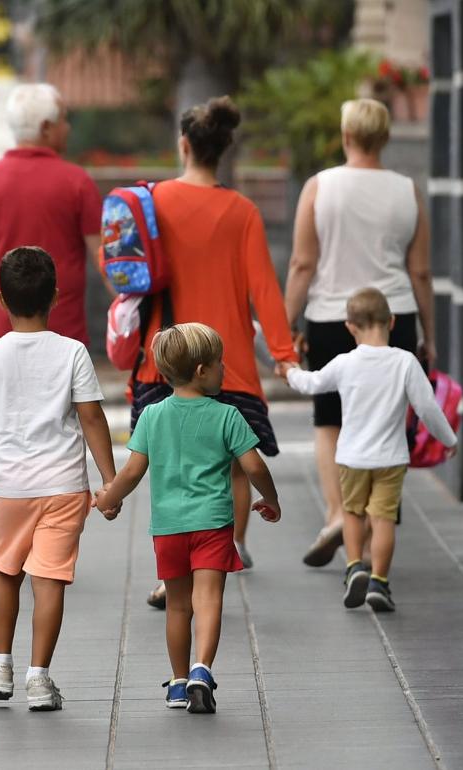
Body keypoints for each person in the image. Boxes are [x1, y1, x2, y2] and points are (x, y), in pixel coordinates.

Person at [132, 96, 297, 608]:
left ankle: (170, 574)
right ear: (223, 151)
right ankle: (230, 546)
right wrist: (284, 352)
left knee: (166, 462)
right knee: (232, 464)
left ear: (183, 144)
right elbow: (264, 288)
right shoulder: (242, 211)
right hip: (228, 361)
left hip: (165, 352)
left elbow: (123, 272)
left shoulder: (150, 202)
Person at [0, 246, 118, 712]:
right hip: (64, 487)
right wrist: (109, 481)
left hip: (8, 489)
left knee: (5, 573)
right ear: (56, 296)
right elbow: (91, 419)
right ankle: (39, 679)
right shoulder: (73, 353)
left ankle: (0, 668)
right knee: (49, 582)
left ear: (1, 299)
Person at [282, 98, 436, 569]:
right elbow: (421, 271)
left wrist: (286, 327)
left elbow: (302, 263)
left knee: (330, 423)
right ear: (385, 138)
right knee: (388, 423)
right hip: (394, 317)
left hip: (331, 317)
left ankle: (336, 514)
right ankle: (372, 534)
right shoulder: (407, 191)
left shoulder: (319, 187)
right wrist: (429, 332)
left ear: (346, 136)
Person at [98, 323, 282, 714]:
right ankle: (202, 669)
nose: (223, 370)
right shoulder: (227, 415)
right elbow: (254, 466)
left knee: (178, 607)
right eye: (219, 364)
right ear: (202, 371)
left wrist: (108, 501)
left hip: (168, 528)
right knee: (209, 599)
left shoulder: (151, 415)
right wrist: (271, 498)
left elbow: (131, 472)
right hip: (213, 524)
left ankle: (179, 683)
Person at [279, 288, 456, 612]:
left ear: (349, 326)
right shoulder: (405, 362)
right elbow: (427, 408)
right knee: (384, 518)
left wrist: (289, 370)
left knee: (353, 514)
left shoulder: (345, 363)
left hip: (351, 458)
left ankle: (353, 566)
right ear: (391, 321)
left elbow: (313, 383)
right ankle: (379, 581)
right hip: (391, 460)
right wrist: (449, 440)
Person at [0, 83, 105, 344]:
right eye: (63, 120)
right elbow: (104, 260)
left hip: (2, 336)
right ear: (46, 127)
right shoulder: (78, 182)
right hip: (64, 339)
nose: (68, 128)